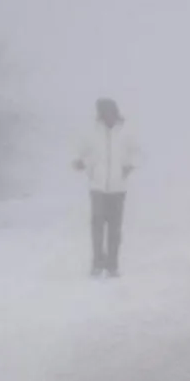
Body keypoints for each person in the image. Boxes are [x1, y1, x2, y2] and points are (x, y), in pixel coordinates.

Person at [73, 98, 139, 278]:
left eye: (108, 111)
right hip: (98, 187)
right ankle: (97, 264)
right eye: (102, 112)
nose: (106, 115)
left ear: (115, 112)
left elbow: (137, 152)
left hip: (118, 187)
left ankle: (112, 265)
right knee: (97, 226)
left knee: (115, 229)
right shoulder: (92, 133)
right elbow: (82, 152)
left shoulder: (126, 132)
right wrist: (82, 163)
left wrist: (129, 166)